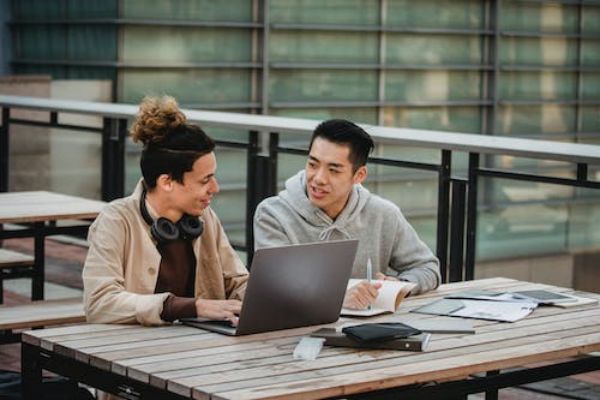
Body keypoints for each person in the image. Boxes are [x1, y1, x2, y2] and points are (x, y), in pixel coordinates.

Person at [83, 95, 248, 327]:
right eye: (205, 180)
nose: (215, 188)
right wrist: (190, 307)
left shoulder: (205, 217)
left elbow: (238, 282)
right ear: (167, 182)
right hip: (133, 346)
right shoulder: (115, 220)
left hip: (201, 344)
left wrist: (265, 299)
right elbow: (99, 303)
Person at [254, 119, 440, 309]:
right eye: (313, 164)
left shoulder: (383, 214)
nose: (318, 178)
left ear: (359, 175)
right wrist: (338, 299)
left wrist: (398, 285)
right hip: (298, 326)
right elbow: (275, 288)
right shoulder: (272, 215)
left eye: (333, 170)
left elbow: (428, 268)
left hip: (371, 325)